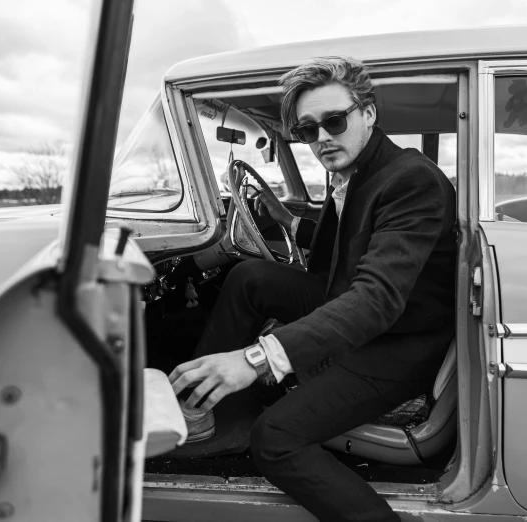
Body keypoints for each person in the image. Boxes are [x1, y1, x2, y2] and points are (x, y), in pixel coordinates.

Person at [169, 56, 457, 522]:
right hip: (351, 301)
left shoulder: (410, 179)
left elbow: (375, 299)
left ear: (368, 113)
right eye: (307, 130)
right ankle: (201, 405)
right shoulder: (357, 173)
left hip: (398, 342)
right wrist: (288, 222)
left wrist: (255, 358)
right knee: (249, 278)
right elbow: (355, 238)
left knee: (275, 439)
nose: (321, 138)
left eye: (334, 121)